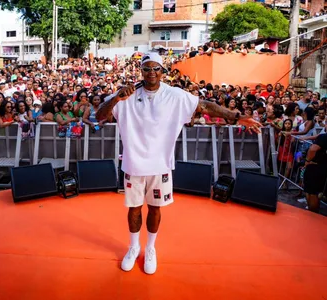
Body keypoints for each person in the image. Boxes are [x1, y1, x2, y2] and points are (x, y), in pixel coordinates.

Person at [95, 52, 261, 275]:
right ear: (141, 71)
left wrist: (238, 117)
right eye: (147, 68)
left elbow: (206, 106)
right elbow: (99, 116)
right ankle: (133, 247)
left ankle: (150, 248)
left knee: (155, 209)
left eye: (156, 68)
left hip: (160, 165)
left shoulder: (174, 95)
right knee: (133, 208)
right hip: (133, 164)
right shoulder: (126, 95)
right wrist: (116, 98)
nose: (151, 72)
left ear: (162, 71)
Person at [303, 133, 327, 213]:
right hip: (321, 167)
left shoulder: (324, 137)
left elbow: (313, 149)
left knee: (312, 192)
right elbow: (317, 136)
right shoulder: (323, 136)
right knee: (311, 190)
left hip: (316, 166)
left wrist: (307, 161)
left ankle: (312, 214)